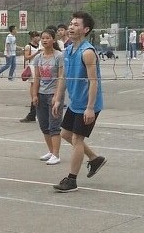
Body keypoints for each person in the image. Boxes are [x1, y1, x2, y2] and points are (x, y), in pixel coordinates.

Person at [51, 12, 106, 193]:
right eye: (71, 23)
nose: (71, 27)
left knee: (77, 138)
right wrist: (58, 98)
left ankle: (71, 180)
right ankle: (95, 159)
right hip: (75, 102)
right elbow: (64, 77)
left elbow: (94, 82)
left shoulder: (87, 52)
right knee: (66, 134)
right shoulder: (68, 50)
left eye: (76, 24)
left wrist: (90, 108)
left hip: (87, 104)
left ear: (85, 29)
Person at [31, 28, 64, 165]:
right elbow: (37, 77)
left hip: (53, 94)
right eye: (43, 38)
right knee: (44, 125)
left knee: (54, 126)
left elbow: (61, 77)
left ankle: (56, 155)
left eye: (47, 38)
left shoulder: (59, 56)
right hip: (41, 94)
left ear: (53, 40)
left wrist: (57, 96)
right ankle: (51, 151)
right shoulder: (38, 57)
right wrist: (34, 95)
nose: (44, 40)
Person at [18, 30, 40, 123]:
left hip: (40, 67)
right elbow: (26, 58)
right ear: (32, 38)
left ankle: (33, 113)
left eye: (38, 36)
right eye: (36, 36)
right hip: (32, 67)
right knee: (34, 86)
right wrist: (36, 53)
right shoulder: (28, 46)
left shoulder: (41, 45)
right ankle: (33, 104)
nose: (38, 38)